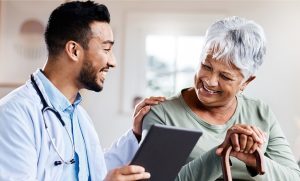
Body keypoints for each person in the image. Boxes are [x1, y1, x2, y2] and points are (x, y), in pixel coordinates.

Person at [0, 1, 165, 180]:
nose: (113, 62)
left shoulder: (79, 116)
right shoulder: (13, 114)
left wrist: (135, 134)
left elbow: (95, 172)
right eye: (106, 49)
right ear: (74, 51)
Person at [142, 16, 300, 180]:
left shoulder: (260, 112)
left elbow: (294, 177)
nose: (210, 81)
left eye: (225, 76)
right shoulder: (163, 114)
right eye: (206, 66)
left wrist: (255, 161)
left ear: (246, 82)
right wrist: (222, 152)